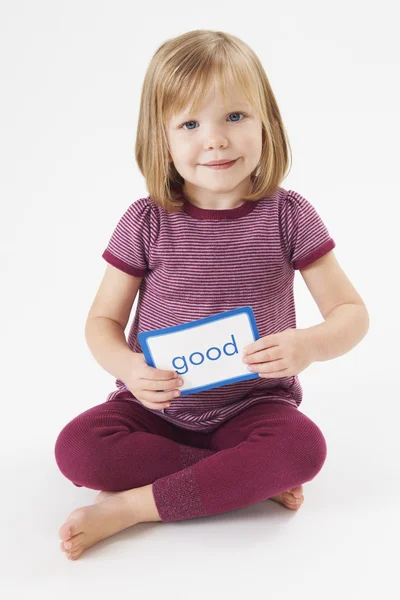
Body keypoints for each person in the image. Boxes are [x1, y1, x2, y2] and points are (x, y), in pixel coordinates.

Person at [54, 29, 369, 561]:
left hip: (253, 406)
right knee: (77, 450)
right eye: (191, 123)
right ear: (163, 139)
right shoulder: (146, 220)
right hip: (156, 407)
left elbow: (351, 313)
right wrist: (131, 370)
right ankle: (237, 480)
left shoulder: (287, 214)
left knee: (301, 449)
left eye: (235, 117)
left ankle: (131, 507)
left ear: (267, 121)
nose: (216, 139)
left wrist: (309, 344)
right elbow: (101, 324)